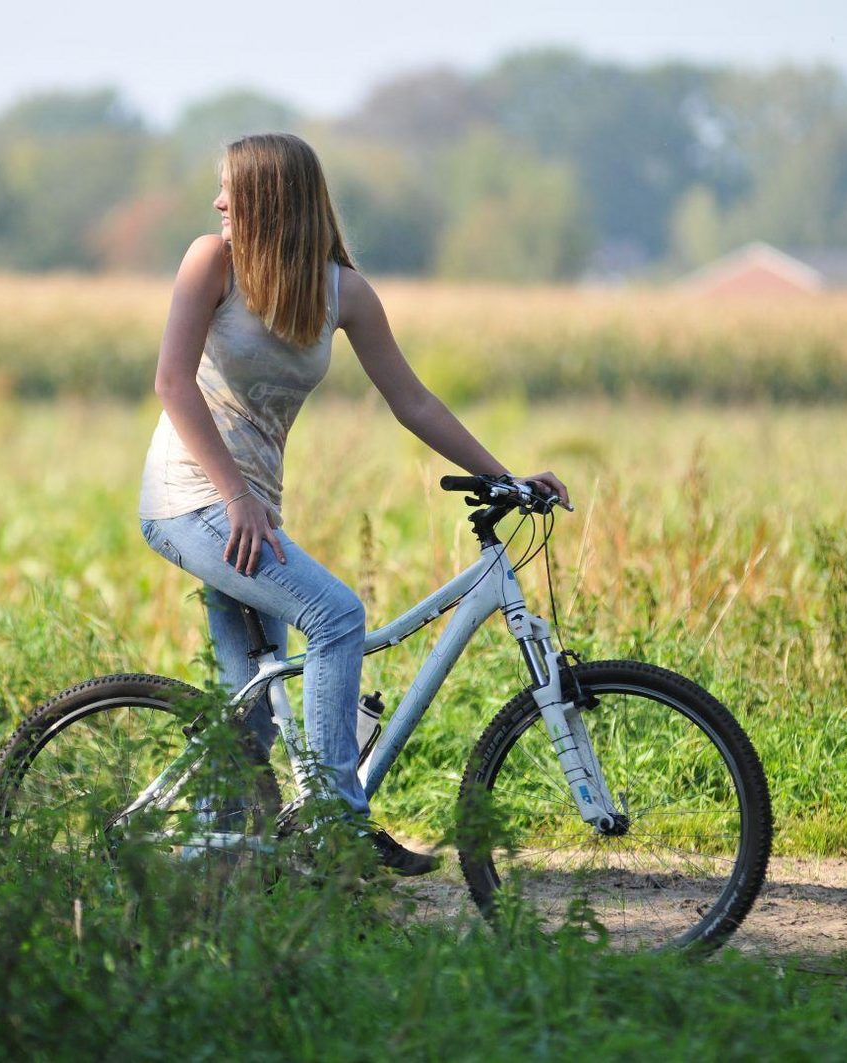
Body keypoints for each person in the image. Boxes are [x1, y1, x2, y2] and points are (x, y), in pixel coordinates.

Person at [138, 132, 569, 875]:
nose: (216, 203)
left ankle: (194, 878)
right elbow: (173, 383)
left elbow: (413, 400)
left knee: (247, 720)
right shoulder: (210, 262)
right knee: (335, 614)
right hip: (191, 499)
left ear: (273, 201)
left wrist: (506, 476)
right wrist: (237, 496)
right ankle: (339, 823)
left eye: (230, 191)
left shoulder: (342, 291)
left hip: (249, 515)